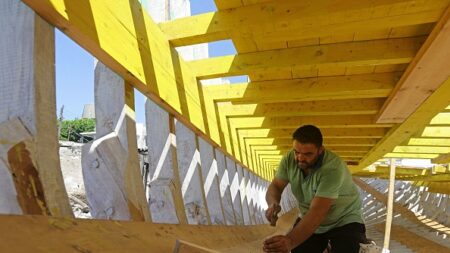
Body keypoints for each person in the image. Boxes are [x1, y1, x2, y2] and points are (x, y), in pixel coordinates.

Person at [263, 125, 366, 253]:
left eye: (308, 154)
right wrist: (273, 203)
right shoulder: (289, 159)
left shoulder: (332, 168)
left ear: (320, 150)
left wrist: (290, 241)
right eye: (297, 152)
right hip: (309, 219)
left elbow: (317, 212)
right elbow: (276, 186)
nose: (300, 158)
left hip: (343, 220)